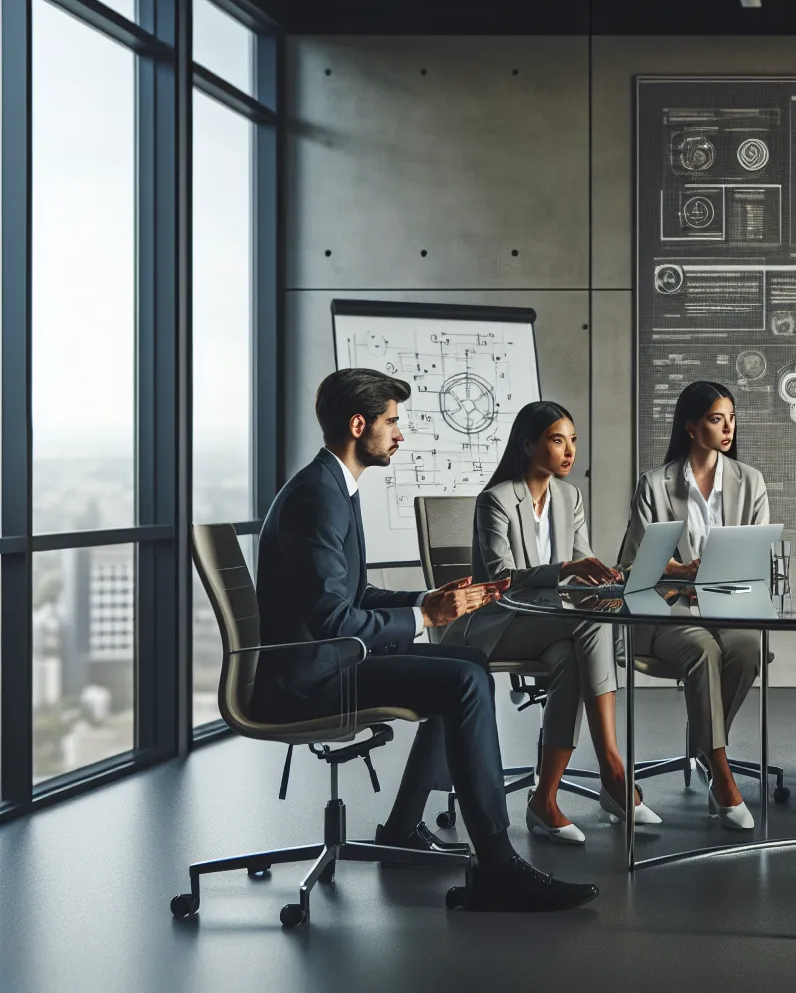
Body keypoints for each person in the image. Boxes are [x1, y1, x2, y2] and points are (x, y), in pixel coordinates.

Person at [255, 368, 595, 912]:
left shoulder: (334, 486)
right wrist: (425, 616)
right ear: (359, 424)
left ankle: (402, 828)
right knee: (462, 676)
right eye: (392, 422)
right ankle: (497, 865)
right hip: (310, 678)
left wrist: (429, 599)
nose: (399, 433)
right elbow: (333, 622)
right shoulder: (320, 496)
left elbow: (357, 594)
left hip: (326, 661)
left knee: (459, 664)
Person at [445, 400, 660, 845]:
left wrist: (603, 577)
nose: (569, 452)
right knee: (590, 624)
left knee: (576, 654)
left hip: (554, 626)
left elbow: (582, 559)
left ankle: (544, 799)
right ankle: (613, 767)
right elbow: (502, 578)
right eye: (557, 440)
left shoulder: (569, 496)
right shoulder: (496, 500)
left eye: (573, 441)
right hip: (499, 623)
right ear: (528, 445)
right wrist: (564, 571)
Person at [618, 380, 768, 830]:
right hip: (666, 607)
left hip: (727, 602)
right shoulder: (655, 484)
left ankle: (705, 746)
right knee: (704, 649)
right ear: (690, 426)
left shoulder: (749, 480)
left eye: (731, 418)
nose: (727, 428)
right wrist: (682, 574)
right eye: (715, 419)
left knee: (747, 649)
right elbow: (633, 565)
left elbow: (757, 553)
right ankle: (721, 775)